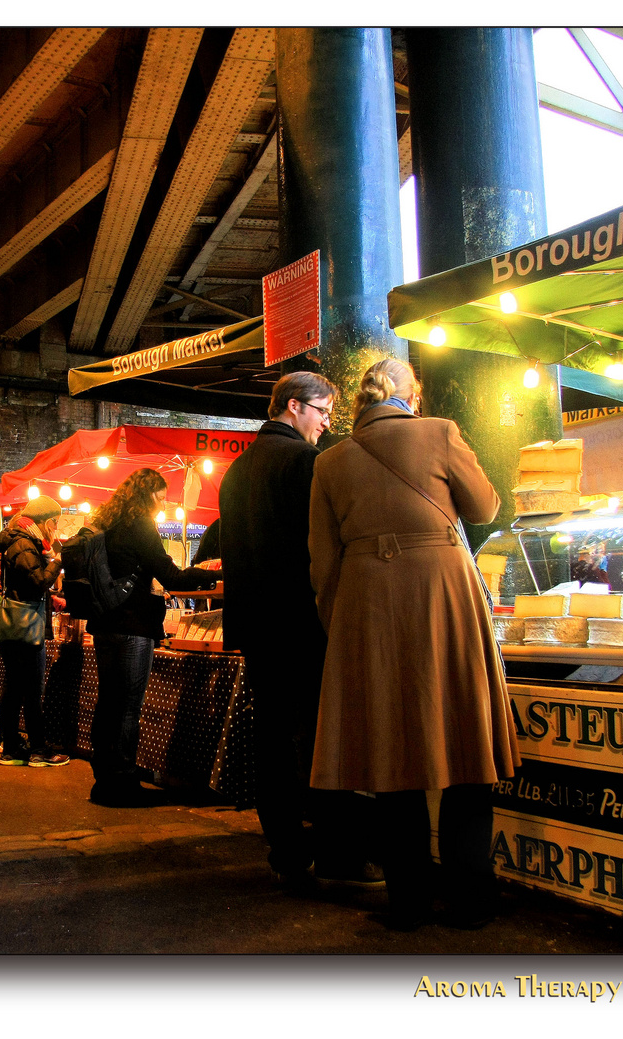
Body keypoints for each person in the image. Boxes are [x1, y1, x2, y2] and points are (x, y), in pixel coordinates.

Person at [308, 358, 519, 931]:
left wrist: (345, 623)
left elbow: (322, 562)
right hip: (442, 592)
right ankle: (471, 898)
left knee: (390, 758)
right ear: (408, 395)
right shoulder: (440, 432)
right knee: (466, 751)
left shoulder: (329, 462)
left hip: (365, 605)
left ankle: (408, 902)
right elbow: (485, 508)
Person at [219, 371, 377, 889]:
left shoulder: (237, 470)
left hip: (257, 626)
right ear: (294, 407)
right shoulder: (304, 462)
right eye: (324, 412)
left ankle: (286, 849)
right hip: (303, 622)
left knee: (270, 736)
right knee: (319, 737)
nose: (327, 425)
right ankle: (338, 856)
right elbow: (322, 544)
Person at [86, 468, 219, 807]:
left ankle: (103, 779)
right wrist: (210, 575)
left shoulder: (110, 522)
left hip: (104, 623)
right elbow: (170, 573)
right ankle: (124, 783)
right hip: (132, 626)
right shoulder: (141, 525)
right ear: (147, 495)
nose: (162, 505)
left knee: (108, 702)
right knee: (128, 706)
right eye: (160, 498)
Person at [0, 495, 70, 768]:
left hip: (16, 627)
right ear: (45, 522)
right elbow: (38, 583)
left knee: (15, 689)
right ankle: (39, 749)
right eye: (55, 524)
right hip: (26, 628)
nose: (55, 530)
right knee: (32, 690)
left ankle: (11, 748)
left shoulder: (18, 541)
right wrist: (58, 561)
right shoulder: (24, 544)